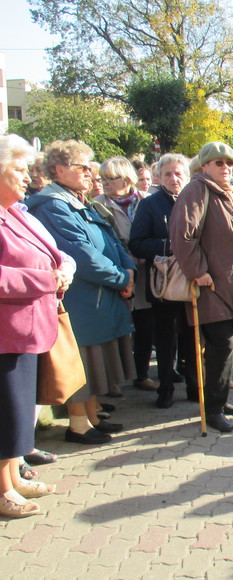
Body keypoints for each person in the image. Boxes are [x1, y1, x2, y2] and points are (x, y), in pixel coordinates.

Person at [28, 140, 137, 444]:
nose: (91, 173)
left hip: (100, 298)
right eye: (82, 167)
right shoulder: (53, 206)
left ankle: (90, 415)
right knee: (80, 362)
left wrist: (128, 269)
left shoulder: (78, 201)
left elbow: (113, 241)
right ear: (60, 170)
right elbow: (83, 255)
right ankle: (78, 425)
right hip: (82, 300)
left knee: (93, 361)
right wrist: (121, 279)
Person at [169, 141, 233, 434]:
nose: (226, 168)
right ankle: (211, 408)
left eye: (230, 164)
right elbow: (182, 236)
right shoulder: (196, 191)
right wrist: (199, 272)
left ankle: (218, 400)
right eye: (219, 163)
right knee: (221, 346)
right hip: (212, 285)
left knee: (232, 344)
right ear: (204, 166)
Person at [0, 134, 72, 517]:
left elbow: (49, 253)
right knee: (7, 409)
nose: (28, 177)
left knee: (19, 407)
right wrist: (45, 280)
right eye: (19, 169)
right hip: (6, 333)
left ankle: (13, 476)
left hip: (27, 330)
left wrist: (60, 268)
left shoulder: (15, 212)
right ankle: (2, 490)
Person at [129, 153, 194, 409]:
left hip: (192, 281)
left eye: (178, 173)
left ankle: (193, 385)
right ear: (159, 177)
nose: (174, 178)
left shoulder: (196, 200)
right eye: (168, 174)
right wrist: (168, 246)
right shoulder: (150, 204)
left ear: (186, 175)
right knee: (166, 339)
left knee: (191, 336)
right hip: (164, 283)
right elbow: (137, 242)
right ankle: (165, 388)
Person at [96, 156, 156, 392]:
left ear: (126, 179)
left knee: (145, 326)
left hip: (148, 273)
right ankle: (113, 380)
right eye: (102, 178)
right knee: (117, 327)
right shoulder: (96, 205)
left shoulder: (147, 200)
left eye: (110, 178)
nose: (105, 183)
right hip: (118, 275)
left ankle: (141, 374)